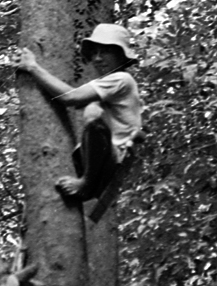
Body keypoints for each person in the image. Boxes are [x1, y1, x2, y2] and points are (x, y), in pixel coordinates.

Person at [10, 21, 144, 214]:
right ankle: (88, 179)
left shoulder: (121, 79)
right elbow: (75, 100)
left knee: (93, 116)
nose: (98, 58)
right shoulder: (109, 83)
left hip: (111, 162)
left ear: (121, 56)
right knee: (92, 110)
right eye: (95, 52)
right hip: (103, 164)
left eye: (105, 52)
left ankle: (86, 183)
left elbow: (69, 98)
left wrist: (33, 67)